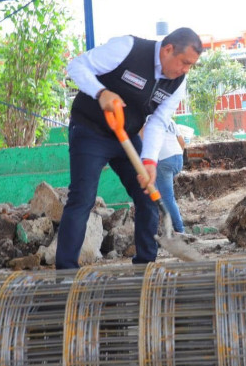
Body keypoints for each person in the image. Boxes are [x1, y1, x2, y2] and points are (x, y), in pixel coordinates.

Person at [56, 27, 203, 269]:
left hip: (126, 135)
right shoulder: (127, 49)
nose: (186, 70)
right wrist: (100, 92)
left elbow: (157, 122)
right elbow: (76, 66)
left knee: (147, 194)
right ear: (168, 50)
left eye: (191, 65)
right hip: (90, 130)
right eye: (185, 62)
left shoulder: (177, 82)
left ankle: (145, 266)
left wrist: (149, 161)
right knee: (83, 197)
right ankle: (65, 272)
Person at [153, 117, 187, 236]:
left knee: (167, 198)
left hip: (164, 160)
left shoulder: (148, 119)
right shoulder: (170, 120)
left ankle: (179, 229)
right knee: (158, 193)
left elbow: (142, 140)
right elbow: (182, 142)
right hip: (178, 158)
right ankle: (164, 226)